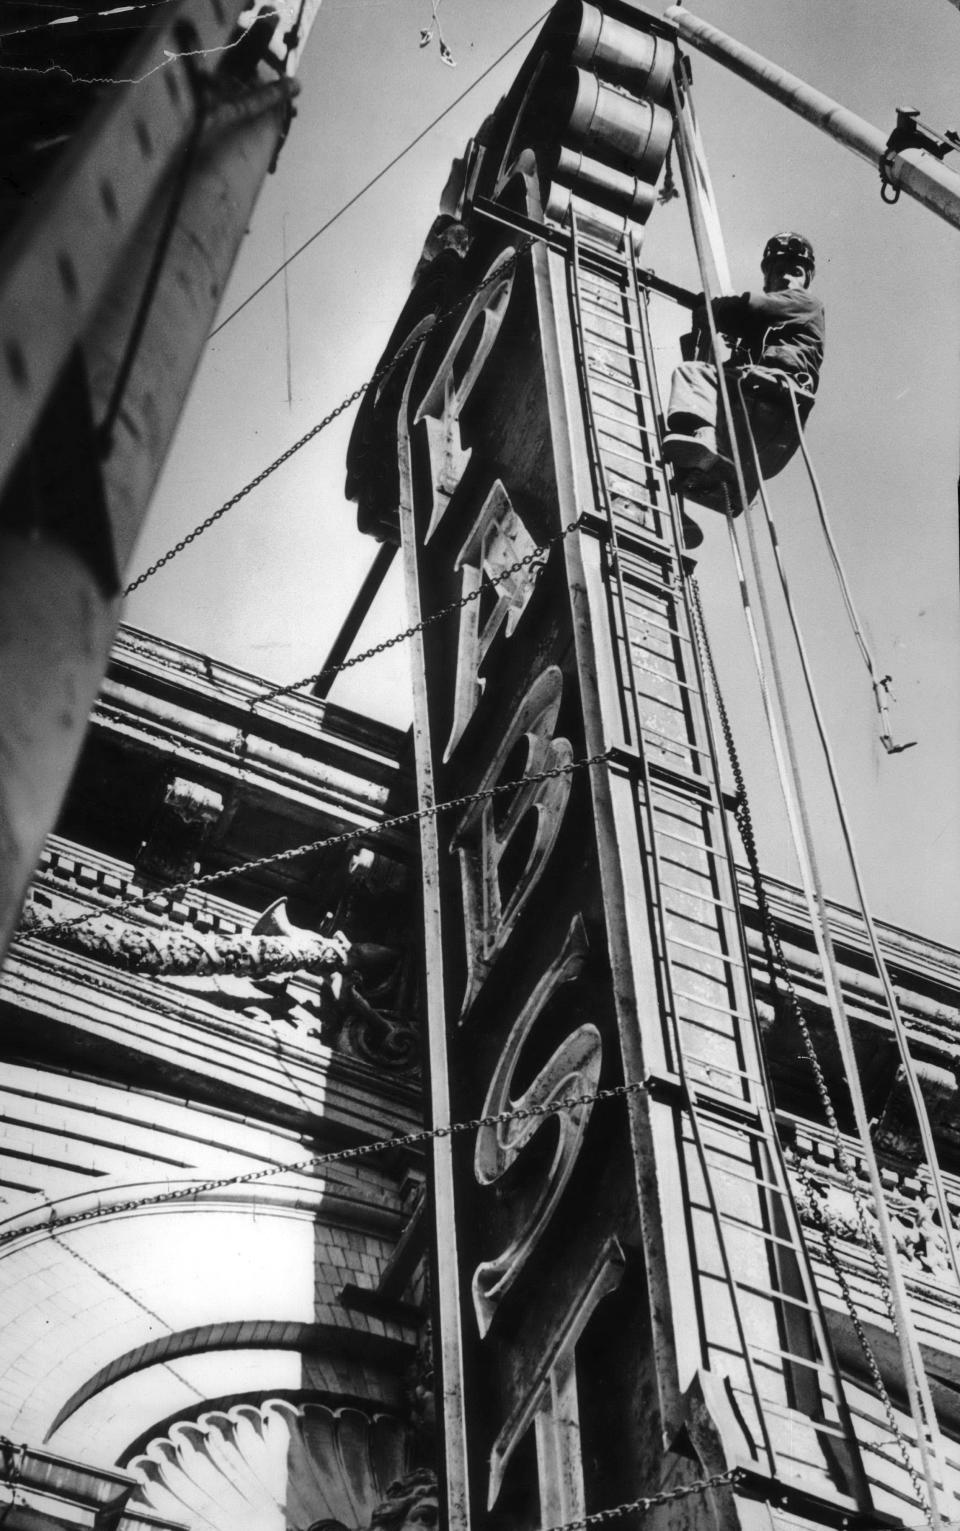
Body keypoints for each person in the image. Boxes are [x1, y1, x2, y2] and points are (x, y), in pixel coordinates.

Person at [662, 233, 825, 511]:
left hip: (775, 391)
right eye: (779, 273)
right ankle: (727, 489)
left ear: (805, 280)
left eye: (795, 272)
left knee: (692, 375)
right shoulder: (763, 335)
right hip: (772, 429)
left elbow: (748, 308)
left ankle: (708, 440)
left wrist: (712, 310)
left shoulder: (804, 303)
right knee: (678, 423)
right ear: (769, 279)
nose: (786, 278)